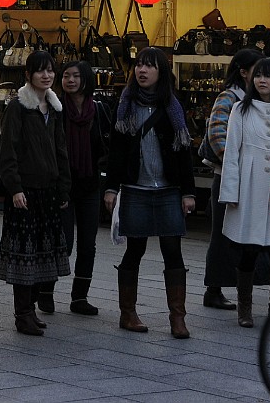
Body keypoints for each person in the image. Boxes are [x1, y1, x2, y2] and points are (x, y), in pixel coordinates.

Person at [103, 47, 195, 339]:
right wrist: (111, 187)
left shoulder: (173, 107)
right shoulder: (125, 105)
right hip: (135, 188)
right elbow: (116, 151)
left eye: (149, 66)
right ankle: (127, 313)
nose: (142, 71)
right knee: (135, 249)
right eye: (139, 65)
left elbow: (183, 153)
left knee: (173, 251)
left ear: (161, 72)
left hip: (168, 189)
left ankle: (177, 318)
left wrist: (188, 192)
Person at [219, 57, 270, 335]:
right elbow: (231, 153)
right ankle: (245, 307)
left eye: (268, 76)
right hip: (250, 186)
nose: (262, 80)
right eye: (258, 76)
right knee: (249, 250)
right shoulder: (241, 110)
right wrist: (230, 192)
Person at [0, 50, 71, 336]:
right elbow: (9, 151)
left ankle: (31, 310)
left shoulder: (54, 107)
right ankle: (23, 313)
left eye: (50, 70)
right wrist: (15, 187)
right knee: (24, 255)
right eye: (40, 70)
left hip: (48, 190)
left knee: (42, 253)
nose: (47, 75)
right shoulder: (18, 107)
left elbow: (61, 150)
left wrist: (64, 186)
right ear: (28, 75)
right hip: (25, 191)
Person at [200, 48, 266, 310]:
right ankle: (213, 289)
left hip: (254, 178)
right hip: (228, 176)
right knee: (222, 235)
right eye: (258, 71)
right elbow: (217, 135)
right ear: (243, 72)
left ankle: (269, 283)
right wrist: (240, 164)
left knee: (255, 233)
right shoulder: (229, 97)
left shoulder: (260, 100)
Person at [58, 60, 112, 316]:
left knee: (88, 244)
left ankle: (80, 297)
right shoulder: (56, 109)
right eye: (66, 76)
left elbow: (106, 146)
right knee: (63, 242)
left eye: (75, 76)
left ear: (85, 79)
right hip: (63, 185)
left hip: (90, 184)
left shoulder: (98, 110)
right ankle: (46, 291)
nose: (70, 80)